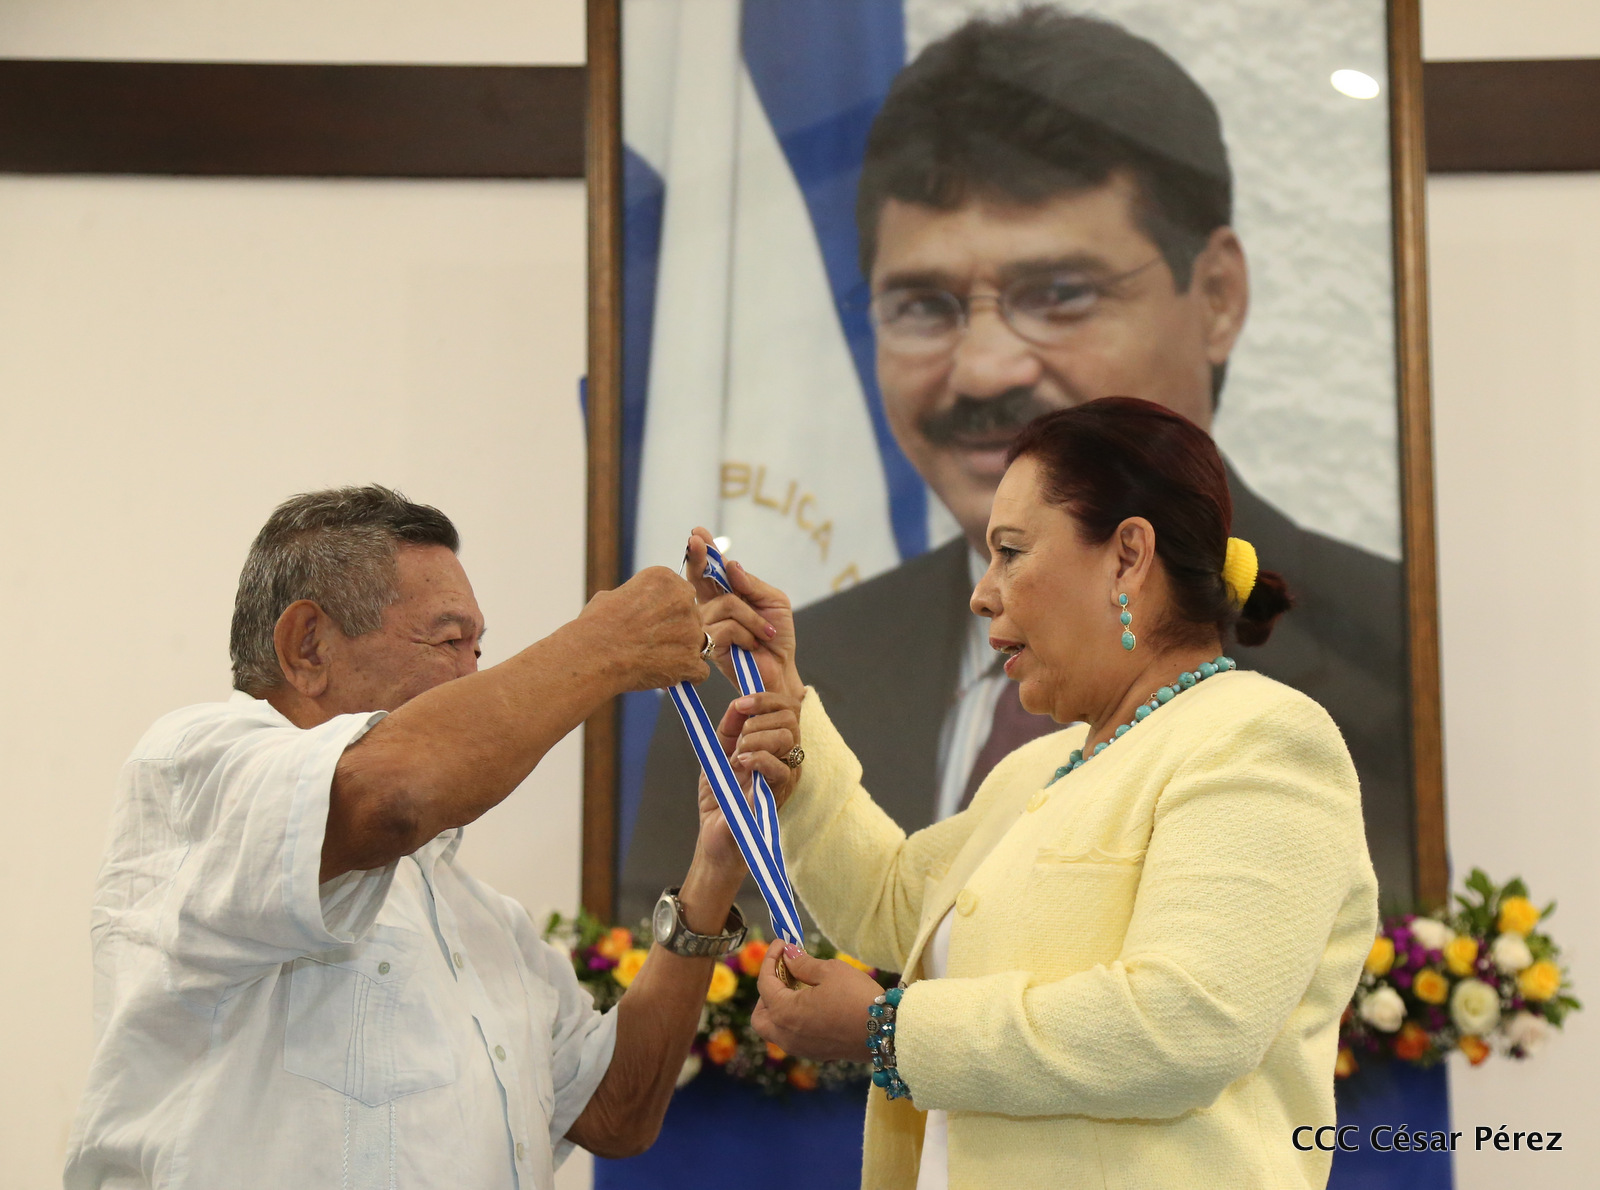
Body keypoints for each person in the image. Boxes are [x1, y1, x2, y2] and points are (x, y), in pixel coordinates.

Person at [621, 6, 1410, 926]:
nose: (985, 368)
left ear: (1219, 296)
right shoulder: (760, 689)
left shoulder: (1385, 650)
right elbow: (896, 905)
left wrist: (884, 1010)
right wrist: (794, 722)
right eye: (924, 305)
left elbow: (1182, 1001)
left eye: (1059, 293)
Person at [697, 399, 1378, 1190]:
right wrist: (786, 703)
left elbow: (1187, 1023)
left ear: (1128, 557)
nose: (983, 594)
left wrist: (890, 1033)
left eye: (1011, 552)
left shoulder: (1259, 736)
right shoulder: (1041, 766)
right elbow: (892, 903)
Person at [64, 486, 771, 1190]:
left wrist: (712, 871)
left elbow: (618, 1113)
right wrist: (605, 645)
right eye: (448, 641)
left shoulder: (480, 916)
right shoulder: (195, 770)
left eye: (479, 648)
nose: (475, 676)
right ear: (307, 647)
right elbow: (392, 797)